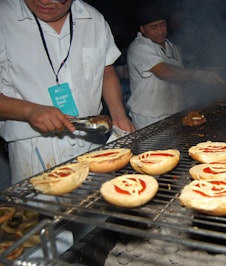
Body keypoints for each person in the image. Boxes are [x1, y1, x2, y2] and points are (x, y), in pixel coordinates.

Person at [0, 0, 135, 184]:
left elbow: (107, 70)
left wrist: (119, 114)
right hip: (35, 147)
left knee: (96, 208)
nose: (47, 1)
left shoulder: (93, 18)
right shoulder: (4, 16)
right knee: (43, 211)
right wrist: (29, 110)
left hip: (91, 139)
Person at [126, 2, 225, 130]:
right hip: (150, 118)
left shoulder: (171, 47)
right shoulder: (139, 47)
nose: (160, 31)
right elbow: (163, 71)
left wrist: (203, 69)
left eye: (163, 25)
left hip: (175, 114)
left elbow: (179, 75)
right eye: (153, 27)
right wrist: (199, 74)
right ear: (142, 29)